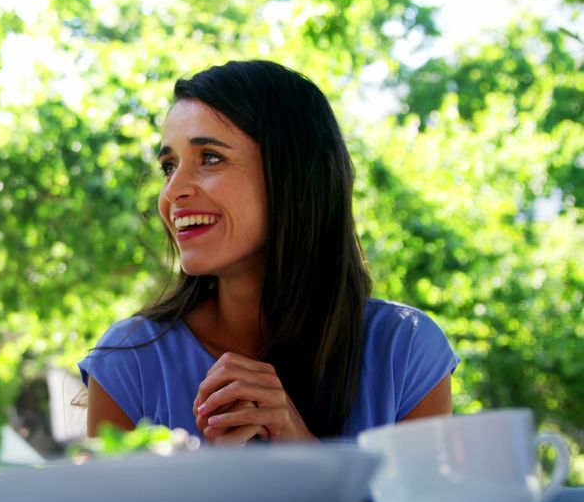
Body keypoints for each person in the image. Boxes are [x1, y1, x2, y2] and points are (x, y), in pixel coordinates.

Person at [80, 61, 460, 444]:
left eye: (209, 158)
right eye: (168, 166)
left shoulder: (407, 350)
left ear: (293, 174)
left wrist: (297, 444)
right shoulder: (126, 361)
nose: (172, 191)